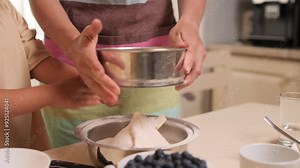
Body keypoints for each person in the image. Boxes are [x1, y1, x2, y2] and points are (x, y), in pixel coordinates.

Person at [29, 0, 207, 148]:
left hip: (154, 68)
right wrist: (74, 46)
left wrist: (190, 20)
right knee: (75, 158)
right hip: (71, 69)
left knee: (156, 157)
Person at [0, 0, 102, 150]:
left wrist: (88, 76)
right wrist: (52, 94)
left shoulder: (4, 6)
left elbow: (35, 58)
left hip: (24, 151)